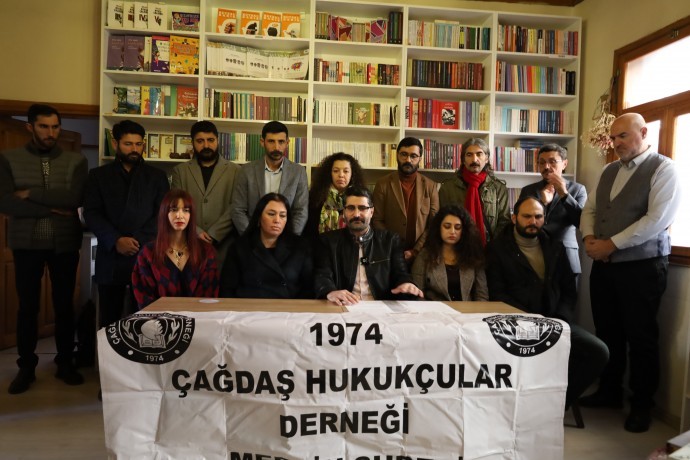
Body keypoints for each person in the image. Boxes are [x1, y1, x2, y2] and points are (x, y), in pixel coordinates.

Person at [579, 113, 681, 433]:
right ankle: (610, 391)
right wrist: (589, 238)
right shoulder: (609, 170)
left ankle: (641, 405)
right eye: (613, 138)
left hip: (642, 268)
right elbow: (591, 209)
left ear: (643, 132)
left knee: (641, 337)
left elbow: (656, 219)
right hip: (605, 267)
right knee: (607, 331)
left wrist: (611, 244)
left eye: (622, 136)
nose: (616, 143)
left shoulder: (664, 169)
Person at [486, 196, 608, 410]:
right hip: (516, 325)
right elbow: (497, 294)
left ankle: (555, 407)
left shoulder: (555, 246)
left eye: (538, 216)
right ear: (514, 218)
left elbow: (569, 290)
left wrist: (559, 319)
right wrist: (531, 322)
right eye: (527, 216)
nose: (533, 221)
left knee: (598, 352)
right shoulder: (497, 249)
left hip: (554, 321)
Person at [0, 104, 88, 394]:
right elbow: (5, 201)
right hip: (26, 244)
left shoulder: (76, 161)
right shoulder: (9, 159)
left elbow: (74, 198)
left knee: (64, 305)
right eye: (44, 126)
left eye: (55, 127)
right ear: (30, 127)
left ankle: (65, 362)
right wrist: (51, 207)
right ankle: (26, 367)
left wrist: (31, 194)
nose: (51, 132)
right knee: (28, 307)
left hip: (64, 243)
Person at [83, 120, 169, 329]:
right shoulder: (98, 176)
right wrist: (116, 240)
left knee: (146, 320)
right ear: (115, 144)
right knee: (110, 319)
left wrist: (137, 240)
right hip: (111, 255)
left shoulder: (157, 177)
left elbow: (162, 214)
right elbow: (92, 213)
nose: (134, 149)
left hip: (145, 253)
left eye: (138, 144)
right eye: (128, 144)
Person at [314, 186, 423, 305]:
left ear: (371, 212)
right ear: (344, 212)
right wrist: (330, 291)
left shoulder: (390, 241)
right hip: (344, 305)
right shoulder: (328, 241)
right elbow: (323, 275)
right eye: (351, 208)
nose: (356, 214)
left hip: (380, 307)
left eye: (362, 208)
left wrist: (406, 283)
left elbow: (401, 273)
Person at [132, 189, 219, 309]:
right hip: (159, 319)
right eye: (174, 209)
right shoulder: (148, 254)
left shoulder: (206, 252)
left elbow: (208, 298)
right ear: (164, 213)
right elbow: (144, 299)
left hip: (198, 318)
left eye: (186, 210)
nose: (179, 215)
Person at [171, 120, 239, 270]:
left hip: (224, 246)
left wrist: (214, 234)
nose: (206, 145)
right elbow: (176, 207)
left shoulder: (236, 171)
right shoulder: (180, 171)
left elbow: (236, 207)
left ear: (218, 140)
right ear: (192, 142)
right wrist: (197, 231)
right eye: (200, 141)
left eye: (210, 140)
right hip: (188, 243)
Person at [220, 193, 312, 298]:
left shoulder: (300, 247)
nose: (277, 220)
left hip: (287, 306)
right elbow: (227, 289)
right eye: (271, 214)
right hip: (250, 306)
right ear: (259, 217)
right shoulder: (239, 247)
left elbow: (308, 289)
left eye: (282, 216)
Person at [519, 143, 587, 276]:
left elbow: (582, 222)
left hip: (566, 255)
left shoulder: (578, 189)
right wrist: (542, 203)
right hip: (534, 253)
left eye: (552, 162)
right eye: (542, 162)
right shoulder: (528, 190)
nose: (546, 167)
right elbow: (521, 223)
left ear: (564, 164)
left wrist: (564, 195)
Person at [231, 120, 308, 235]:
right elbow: (238, 210)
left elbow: (301, 212)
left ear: (287, 143)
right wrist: (251, 238)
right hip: (253, 238)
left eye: (281, 142)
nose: (276, 147)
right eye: (271, 141)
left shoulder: (298, 172)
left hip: (286, 238)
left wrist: (289, 240)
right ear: (262, 142)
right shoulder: (246, 171)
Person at [373, 137, 439, 263]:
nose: (408, 160)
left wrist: (415, 251)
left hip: (421, 255)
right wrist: (393, 247)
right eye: (404, 154)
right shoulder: (382, 184)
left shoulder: (431, 186)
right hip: (389, 253)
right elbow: (376, 220)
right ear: (397, 156)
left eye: (413, 156)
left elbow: (434, 224)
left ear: (420, 159)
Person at [439, 138, 510, 244]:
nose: (474, 159)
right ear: (463, 160)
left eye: (479, 154)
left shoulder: (499, 188)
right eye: (469, 155)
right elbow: (442, 220)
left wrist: (493, 247)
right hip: (457, 247)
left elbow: (504, 223)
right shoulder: (448, 187)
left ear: (486, 158)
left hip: (489, 248)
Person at [411, 205, 488, 301]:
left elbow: (482, 295)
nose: (452, 231)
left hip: (467, 309)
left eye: (458, 227)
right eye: (447, 226)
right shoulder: (425, 255)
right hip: (434, 309)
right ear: (439, 228)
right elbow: (417, 294)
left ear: (464, 231)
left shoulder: (472, 255)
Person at [304, 152, 365, 239]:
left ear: (352, 174)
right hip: (319, 244)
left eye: (346, 171)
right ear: (329, 173)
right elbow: (309, 231)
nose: (341, 175)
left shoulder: (361, 198)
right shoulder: (315, 197)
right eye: (336, 171)